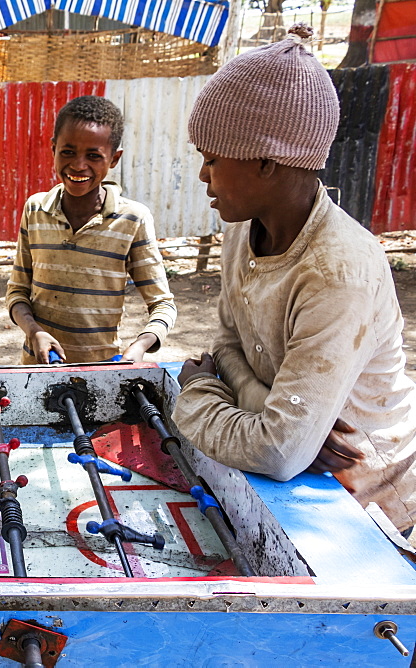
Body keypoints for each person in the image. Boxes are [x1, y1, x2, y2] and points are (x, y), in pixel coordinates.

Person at [173, 24, 416, 534]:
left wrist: (196, 394)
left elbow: (277, 453)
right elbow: (227, 343)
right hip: (309, 493)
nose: (203, 176)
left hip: (374, 508)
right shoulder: (245, 231)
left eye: (211, 159)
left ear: (266, 162)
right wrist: (262, 402)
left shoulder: (337, 273)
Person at [6, 95, 176, 364]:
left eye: (94, 156)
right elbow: (17, 292)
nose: (78, 165)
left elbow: (162, 305)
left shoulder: (132, 219)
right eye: (68, 152)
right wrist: (34, 331)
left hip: (100, 371)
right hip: (36, 370)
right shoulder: (35, 210)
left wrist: (140, 347)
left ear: (114, 159)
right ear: (53, 149)